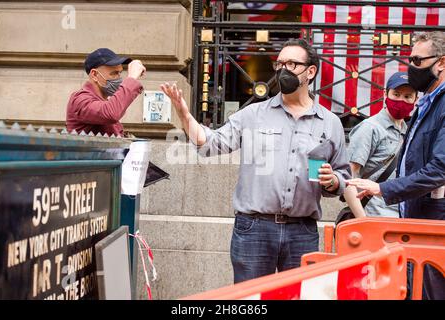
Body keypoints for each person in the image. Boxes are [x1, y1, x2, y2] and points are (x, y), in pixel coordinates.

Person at [161, 39, 351, 283]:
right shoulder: (253, 114)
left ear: (310, 71)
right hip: (254, 230)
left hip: (302, 232)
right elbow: (210, 145)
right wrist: (184, 115)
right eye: (280, 63)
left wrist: (334, 180)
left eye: (292, 64)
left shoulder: (330, 123)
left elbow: (343, 176)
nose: (284, 70)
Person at [347, 31, 445, 300]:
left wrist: (381, 188)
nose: (411, 66)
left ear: (442, 63)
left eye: (417, 60)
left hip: (432, 224)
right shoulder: (427, 104)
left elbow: (439, 168)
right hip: (411, 222)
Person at [344, 72, 417, 218]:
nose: (401, 100)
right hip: (374, 216)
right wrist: (362, 220)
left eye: (407, 97)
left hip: (402, 216)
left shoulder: (410, 132)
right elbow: (349, 177)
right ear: (385, 94)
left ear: (416, 100)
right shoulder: (370, 128)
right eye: (396, 94)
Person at [66, 48, 146, 137]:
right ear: (95, 74)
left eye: (120, 73)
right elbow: (111, 113)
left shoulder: (104, 101)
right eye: (114, 73)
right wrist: (131, 78)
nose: (119, 78)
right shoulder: (79, 100)